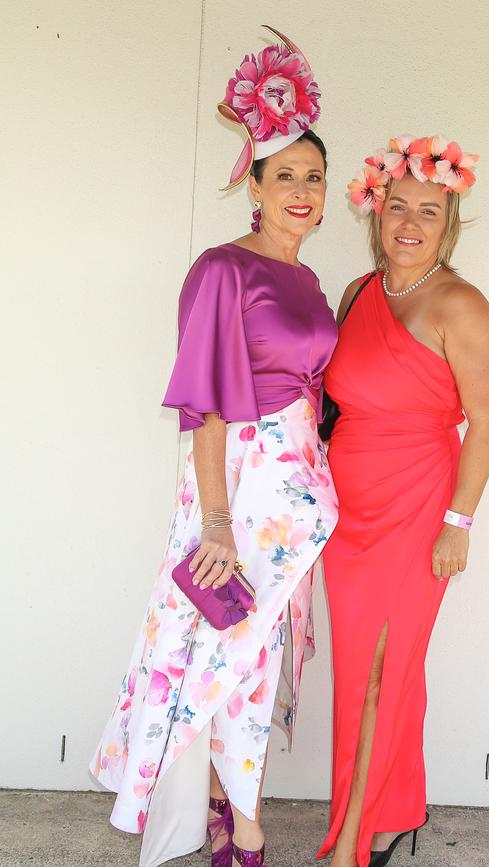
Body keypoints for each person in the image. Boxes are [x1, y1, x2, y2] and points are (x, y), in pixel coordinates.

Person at [90, 28, 337, 867]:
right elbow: (205, 410)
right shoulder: (222, 270)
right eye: (285, 178)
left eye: (314, 177)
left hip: (294, 492)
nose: (302, 191)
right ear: (255, 188)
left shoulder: (305, 279)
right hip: (237, 489)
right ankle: (241, 824)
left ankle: (239, 809)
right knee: (215, 642)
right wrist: (219, 523)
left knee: (256, 655)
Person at [317, 135, 489, 867]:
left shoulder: (462, 304)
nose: (410, 221)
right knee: (366, 669)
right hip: (347, 514)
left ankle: (351, 845)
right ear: (376, 211)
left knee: (380, 671)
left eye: (429, 210)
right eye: (399, 205)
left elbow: (486, 421)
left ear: (448, 221)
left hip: (419, 506)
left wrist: (459, 522)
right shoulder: (359, 294)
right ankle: (394, 809)